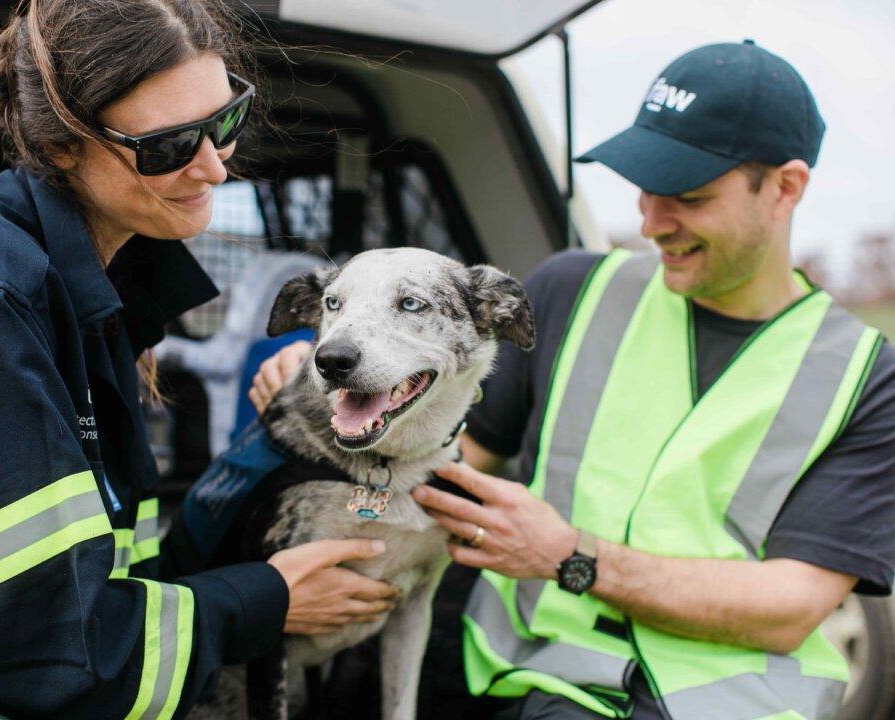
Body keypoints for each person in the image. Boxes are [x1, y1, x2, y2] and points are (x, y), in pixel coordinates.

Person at [252, 41, 895, 720]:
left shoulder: (863, 377)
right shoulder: (573, 289)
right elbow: (439, 467)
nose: (651, 223)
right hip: (516, 678)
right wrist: (328, 403)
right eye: (645, 187)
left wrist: (569, 557)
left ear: (786, 189)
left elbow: (793, 607)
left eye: (688, 197)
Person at [0, 1, 397, 717]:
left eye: (226, 121)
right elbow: (45, 655)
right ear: (61, 145)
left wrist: (285, 424)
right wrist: (267, 600)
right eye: (168, 146)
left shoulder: (88, 287)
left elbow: (105, 578)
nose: (214, 167)